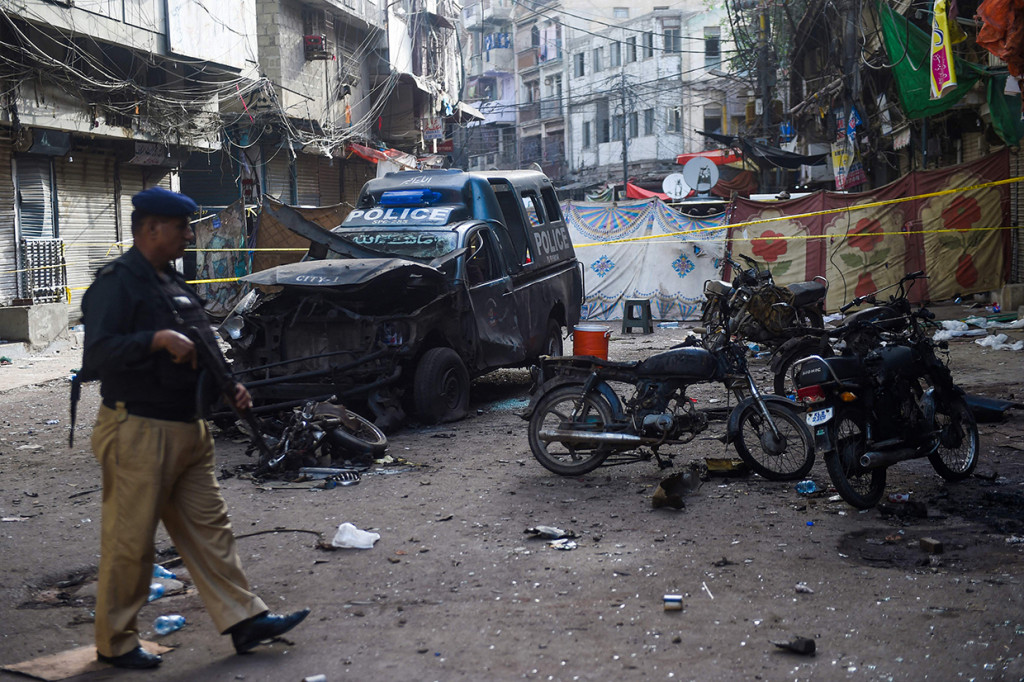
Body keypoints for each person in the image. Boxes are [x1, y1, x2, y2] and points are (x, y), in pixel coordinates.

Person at [80, 187, 308, 670]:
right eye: (182, 228)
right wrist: (156, 340)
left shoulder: (174, 283)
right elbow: (97, 356)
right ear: (151, 229)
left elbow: (203, 341)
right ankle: (115, 643)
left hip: (188, 429)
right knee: (131, 543)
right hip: (137, 429)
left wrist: (231, 387)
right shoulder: (116, 284)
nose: (189, 235)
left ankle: (246, 621)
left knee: (212, 532)